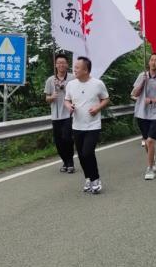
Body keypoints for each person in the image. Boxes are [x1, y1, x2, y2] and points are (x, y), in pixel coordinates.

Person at [64, 56, 110, 194]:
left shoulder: (98, 84)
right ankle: (88, 178)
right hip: (77, 125)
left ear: (86, 70)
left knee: (88, 152)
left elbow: (106, 99)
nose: (74, 70)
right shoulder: (71, 84)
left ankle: (96, 179)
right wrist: (69, 107)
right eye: (75, 67)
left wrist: (97, 108)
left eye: (77, 68)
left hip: (93, 125)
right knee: (81, 155)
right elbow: (67, 100)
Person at [44, 53, 75, 173]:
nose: (61, 65)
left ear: (67, 65)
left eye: (63, 63)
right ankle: (65, 161)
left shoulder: (73, 78)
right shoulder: (50, 80)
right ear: (55, 65)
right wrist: (52, 97)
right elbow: (46, 98)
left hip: (69, 113)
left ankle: (70, 162)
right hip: (56, 115)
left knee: (67, 138)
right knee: (58, 141)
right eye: (59, 63)